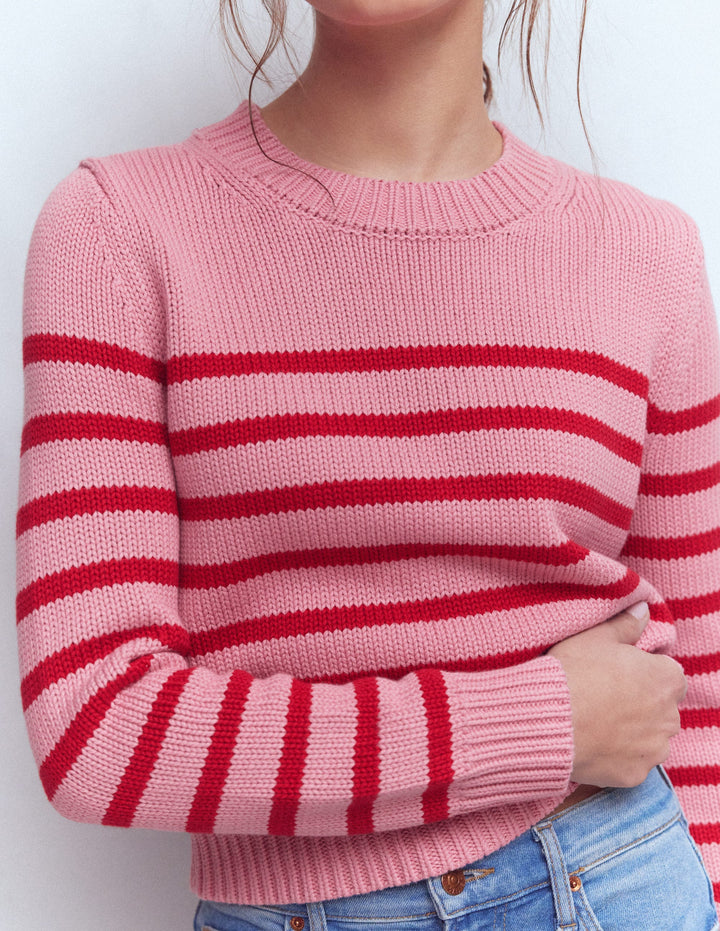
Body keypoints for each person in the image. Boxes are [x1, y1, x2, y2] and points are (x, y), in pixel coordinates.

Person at [16, 1, 719, 928]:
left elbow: (697, 688)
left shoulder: (647, 252)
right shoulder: (120, 229)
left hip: (627, 874)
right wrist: (544, 721)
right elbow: (95, 728)